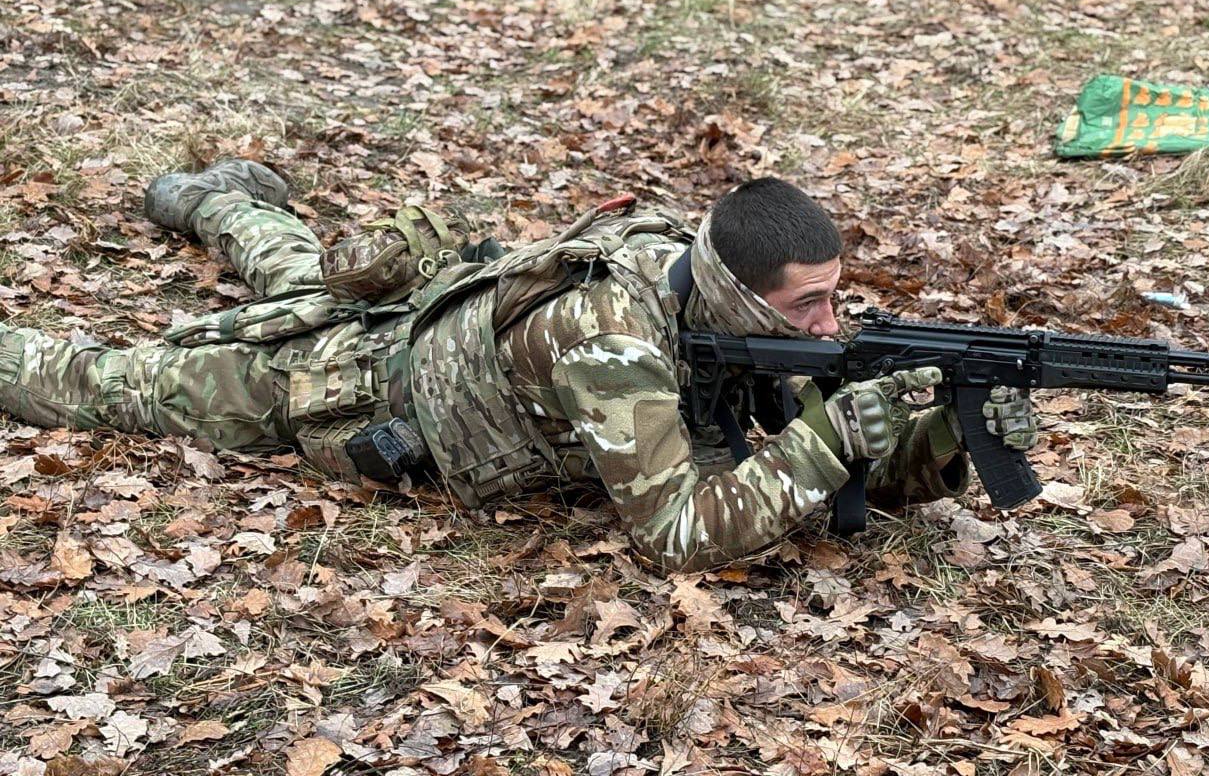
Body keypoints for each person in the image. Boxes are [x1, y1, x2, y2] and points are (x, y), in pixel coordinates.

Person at [0, 161, 1037, 572]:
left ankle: (214, 199)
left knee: (295, 268)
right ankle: (212, 206)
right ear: (731, 290)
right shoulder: (611, 339)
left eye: (834, 292)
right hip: (348, 383)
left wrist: (943, 432)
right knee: (101, 383)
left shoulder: (705, 288)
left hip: (430, 313)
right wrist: (834, 431)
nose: (830, 322)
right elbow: (674, 536)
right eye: (807, 303)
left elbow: (833, 480)